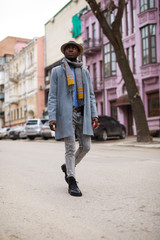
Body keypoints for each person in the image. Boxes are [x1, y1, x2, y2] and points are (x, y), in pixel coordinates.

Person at [48, 41, 98, 197]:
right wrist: (52, 117)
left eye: (74, 48)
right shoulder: (57, 71)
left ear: (78, 52)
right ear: (64, 52)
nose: (70, 50)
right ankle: (72, 181)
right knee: (69, 148)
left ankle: (68, 167)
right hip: (66, 114)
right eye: (68, 48)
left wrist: (94, 114)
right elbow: (53, 96)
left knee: (86, 146)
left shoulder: (85, 71)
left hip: (83, 113)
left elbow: (90, 94)